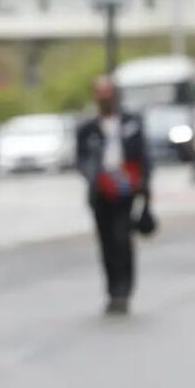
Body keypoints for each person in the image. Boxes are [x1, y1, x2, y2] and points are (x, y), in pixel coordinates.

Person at [75, 76, 153, 316]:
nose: (105, 98)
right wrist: (94, 177)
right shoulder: (88, 129)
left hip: (126, 190)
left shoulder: (132, 123)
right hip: (100, 191)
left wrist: (143, 185)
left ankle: (124, 290)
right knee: (107, 241)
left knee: (122, 238)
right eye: (100, 93)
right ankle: (111, 290)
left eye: (108, 92)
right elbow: (81, 159)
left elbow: (145, 157)